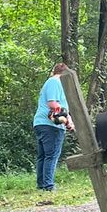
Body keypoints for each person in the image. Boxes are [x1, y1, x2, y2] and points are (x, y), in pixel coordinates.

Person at [33, 61, 74, 198]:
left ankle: (41, 184)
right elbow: (53, 104)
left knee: (43, 156)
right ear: (64, 74)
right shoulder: (55, 82)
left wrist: (69, 121)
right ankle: (48, 186)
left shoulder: (52, 82)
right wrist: (65, 120)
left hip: (40, 123)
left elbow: (61, 107)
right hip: (50, 125)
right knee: (51, 155)